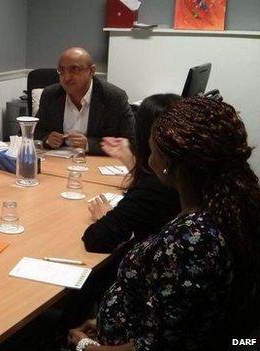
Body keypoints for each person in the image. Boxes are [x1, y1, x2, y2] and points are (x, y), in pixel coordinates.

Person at [68, 97, 260, 350]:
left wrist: (86, 346)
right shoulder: (229, 204)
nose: (147, 158)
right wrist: (109, 319)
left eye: (151, 150)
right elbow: (173, 314)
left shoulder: (191, 242)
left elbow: (155, 346)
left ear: (168, 164)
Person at [82, 94, 181, 253]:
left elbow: (97, 239)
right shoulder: (186, 172)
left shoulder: (157, 187)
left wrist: (105, 216)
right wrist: (132, 162)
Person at [34, 47, 134, 155]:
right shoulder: (51, 95)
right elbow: (33, 131)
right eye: (62, 71)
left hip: (96, 162)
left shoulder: (113, 97)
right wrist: (47, 139)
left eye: (74, 70)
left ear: (91, 71)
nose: (66, 78)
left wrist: (89, 144)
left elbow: (130, 142)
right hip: (58, 162)